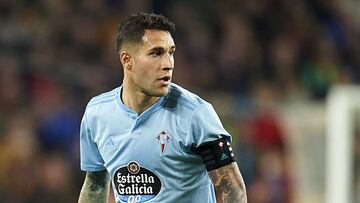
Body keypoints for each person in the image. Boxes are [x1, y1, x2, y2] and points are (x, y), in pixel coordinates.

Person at [78, 12, 247, 203]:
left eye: (171, 52)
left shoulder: (196, 114)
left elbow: (233, 190)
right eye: (156, 53)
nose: (168, 64)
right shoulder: (97, 114)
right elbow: (96, 185)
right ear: (127, 60)